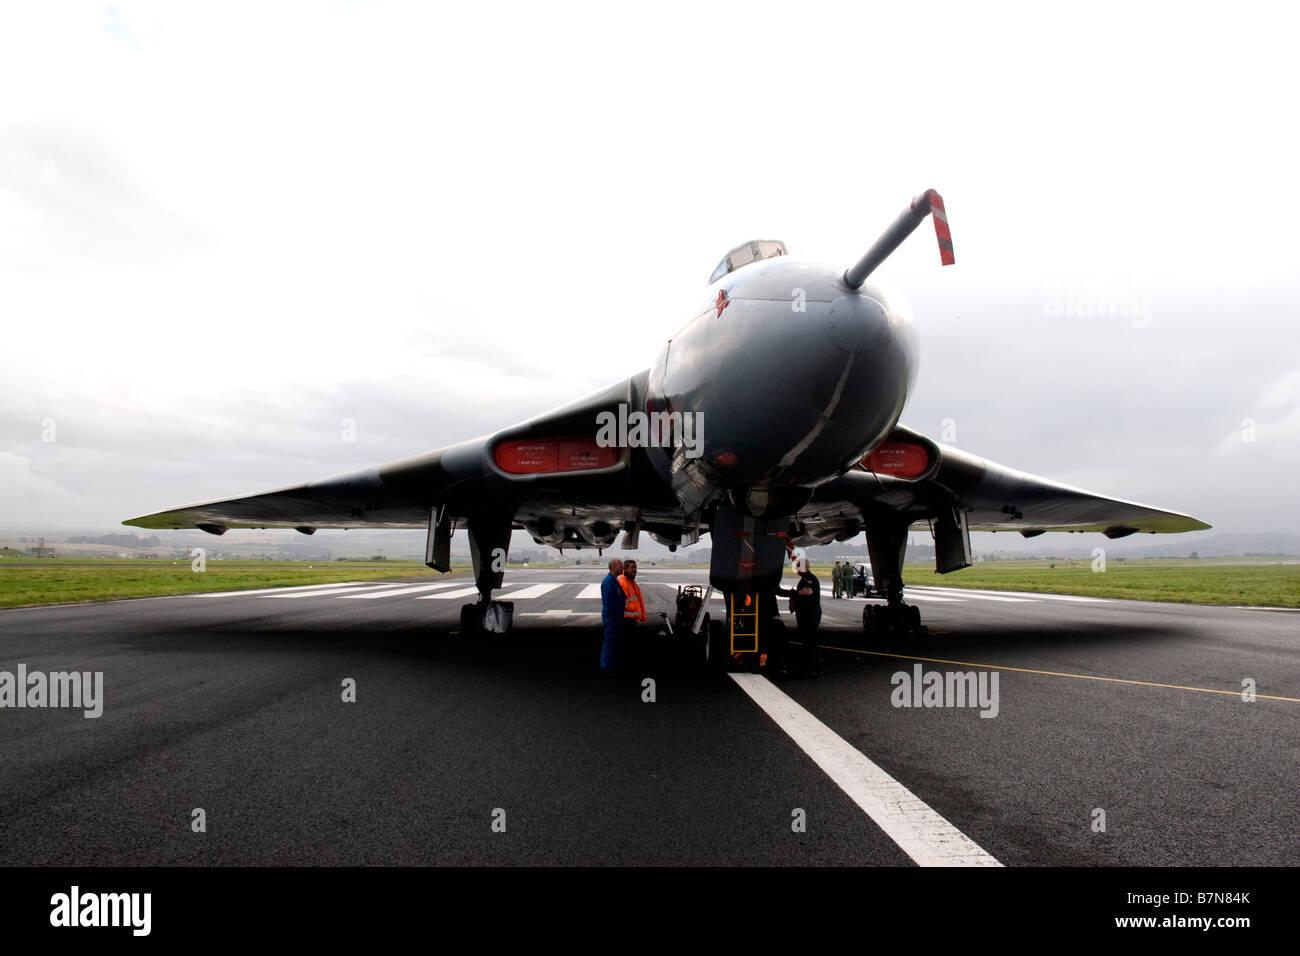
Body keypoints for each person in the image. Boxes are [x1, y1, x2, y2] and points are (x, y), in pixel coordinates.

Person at [777, 556, 823, 676]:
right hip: (805, 615)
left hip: (810, 616)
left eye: (798, 567)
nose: (797, 569)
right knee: (807, 641)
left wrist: (796, 594)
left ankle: (815, 668)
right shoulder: (805, 579)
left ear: (805, 567)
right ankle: (809, 666)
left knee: (810, 641)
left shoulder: (809, 580)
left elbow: (808, 593)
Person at [619, 559, 647, 670]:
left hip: (631, 619)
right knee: (627, 645)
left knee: (631, 645)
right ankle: (626, 668)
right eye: (631, 568)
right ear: (625, 569)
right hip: (625, 620)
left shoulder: (631, 581)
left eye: (635, 567)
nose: (634, 570)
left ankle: (629, 666)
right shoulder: (623, 582)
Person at [599, 558, 626, 676]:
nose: (622, 568)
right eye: (620, 565)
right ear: (614, 567)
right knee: (609, 643)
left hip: (615, 618)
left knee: (613, 642)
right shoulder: (608, 582)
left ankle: (611, 666)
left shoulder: (613, 580)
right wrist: (616, 616)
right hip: (612, 618)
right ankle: (606, 668)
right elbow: (609, 603)